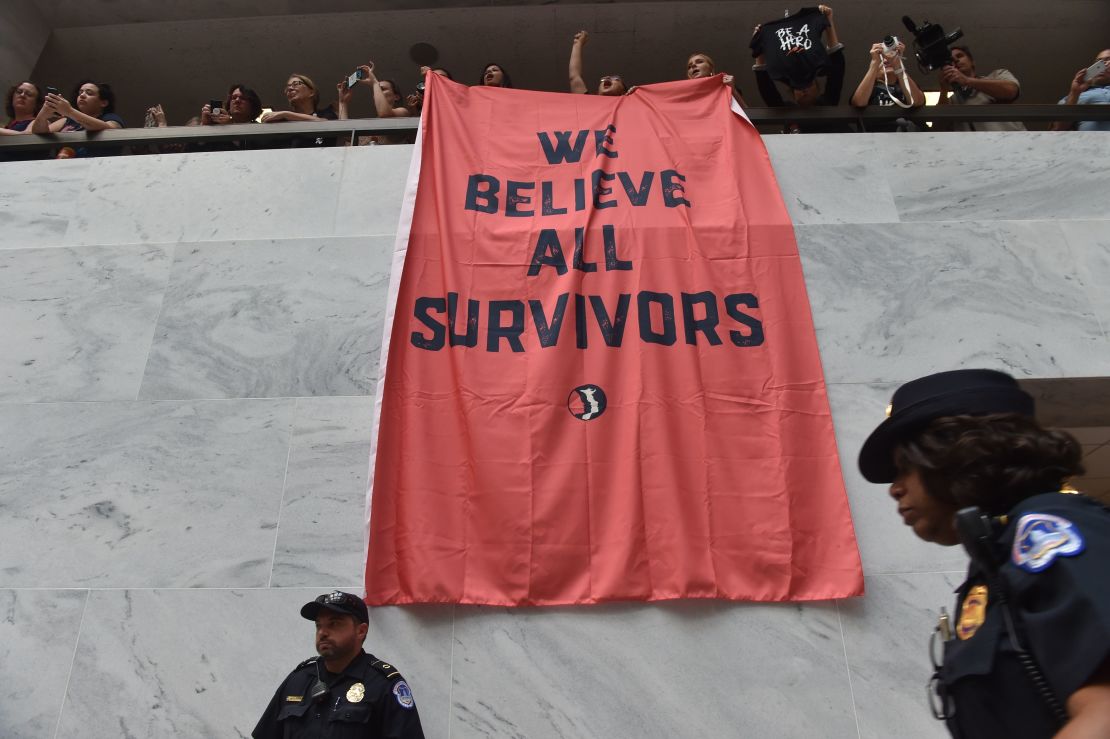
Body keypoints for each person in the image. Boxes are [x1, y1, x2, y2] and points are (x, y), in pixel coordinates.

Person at [858, 369, 1110, 738]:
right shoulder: (996, 561)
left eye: (905, 468)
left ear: (961, 457)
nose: (895, 489)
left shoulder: (1051, 532)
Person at [253, 590, 426, 739]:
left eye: (334, 624)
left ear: (361, 631)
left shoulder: (383, 684)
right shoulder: (297, 680)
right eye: (318, 625)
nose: (322, 632)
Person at [751, 5, 846, 133]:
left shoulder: (828, 101)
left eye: (808, 83)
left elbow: (837, 70)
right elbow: (766, 88)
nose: (804, 90)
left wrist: (828, 23)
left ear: (817, 87)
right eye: (798, 87)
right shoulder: (786, 111)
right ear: (792, 92)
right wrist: (760, 44)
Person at [935, 46, 1026, 132]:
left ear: (972, 62)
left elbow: (1011, 91)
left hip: (1013, 142)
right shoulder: (951, 101)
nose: (955, 60)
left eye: (959, 56)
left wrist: (967, 81)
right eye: (951, 60)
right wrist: (944, 89)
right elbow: (936, 130)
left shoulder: (997, 75)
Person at [31, 80, 125, 157]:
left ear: (103, 103)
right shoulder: (67, 120)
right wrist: (43, 113)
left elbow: (111, 131)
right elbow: (39, 133)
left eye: (89, 93)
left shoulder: (110, 117)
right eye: (80, 92)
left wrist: (69, 111)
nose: (82, 95)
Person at [849, 38, 924, 131]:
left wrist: (898, 65)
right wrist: (874, 63)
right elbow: (858, 103)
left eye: (888, 59)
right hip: (876, 138)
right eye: (882, 59)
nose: (886, 60)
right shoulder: (870, 88)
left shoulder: (906, 85)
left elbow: (917, 101)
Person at [337, 63, 412, 145]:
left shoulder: (403, 112)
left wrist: (375, 83)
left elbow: (385, 114)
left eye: (382, 89)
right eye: (377, 90)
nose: (378, 92)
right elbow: (346, 135)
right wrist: (343, 102)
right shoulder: (370, 125)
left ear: (396, 96)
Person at [262, 74, 337, 147]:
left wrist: (286, 114)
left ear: (311, 92)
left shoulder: (326, 114)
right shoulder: (283, 122)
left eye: (296, 84)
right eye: (288, 87)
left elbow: (326, 123)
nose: (290, 89)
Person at [1052, 48, 1110, 132]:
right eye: (1099, 62)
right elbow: (1058, 128)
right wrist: (1075, 92)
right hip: (1091, 143)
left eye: (1108, 60)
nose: (1102, 65)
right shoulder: (1076, 95)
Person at [568, 30, 626, 96]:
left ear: (623, 92)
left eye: (616, 78)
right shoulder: (587, 102)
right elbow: (575, 77)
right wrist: (577, 43)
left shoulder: (631, 104)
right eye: (602, 80)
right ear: (597, 92)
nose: (607, 77)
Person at [1, 81, 46, 161]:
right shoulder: (8, 126)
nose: (22, 95)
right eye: (19, 92)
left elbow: (27, 136)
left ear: (36, 104)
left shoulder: (38, 122)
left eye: (29, 94)